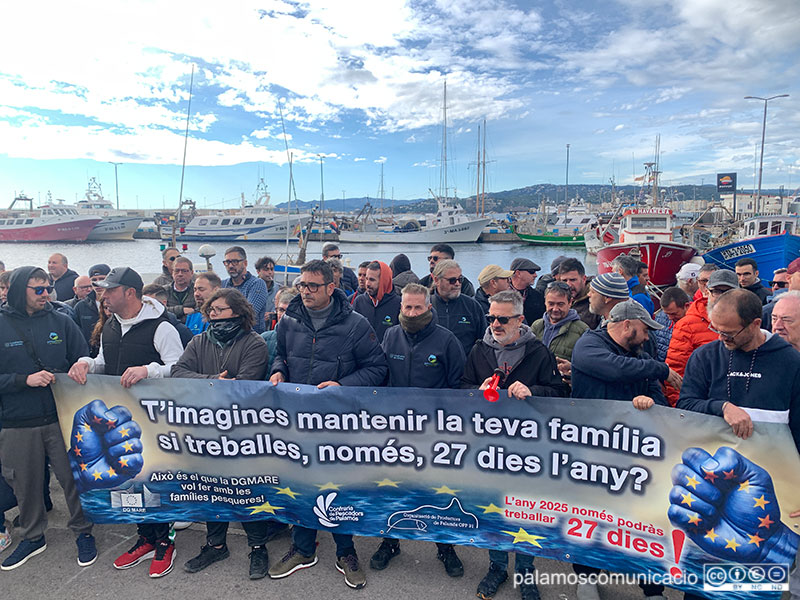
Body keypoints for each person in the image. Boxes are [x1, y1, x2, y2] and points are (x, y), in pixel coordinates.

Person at [267, 259, 387, 589]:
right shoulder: (289, 319)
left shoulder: (356, 324)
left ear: (330, 288)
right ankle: (303, 548)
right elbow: (281, 356)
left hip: (337, 422)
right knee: (302, 482)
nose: (304, 291)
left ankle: (346, 552)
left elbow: (377, 368)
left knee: (337, 486)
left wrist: (342, 385)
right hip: (296, 419)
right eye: (301, 285)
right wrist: (278, 370)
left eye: (312, 286)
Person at [68, 267, 184, 578]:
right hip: (123, 417)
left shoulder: (162, 327)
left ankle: (165, 541)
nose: (103, 296)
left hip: (157, 419)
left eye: (109, 290)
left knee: (156, 480)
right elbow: (105, 361)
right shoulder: (110, 326)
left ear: (129, 293)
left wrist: (149, 370)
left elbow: (180, 367)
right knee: (129, 478)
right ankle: (145, 537)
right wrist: (85, 363)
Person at [461, 289, 567, 600]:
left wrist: (532, 389)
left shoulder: (538, 352)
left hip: (527, 449)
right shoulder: (478, 350)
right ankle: (496, 566)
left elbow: (559, 394)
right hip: (489, 445)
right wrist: (474, 392)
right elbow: (463, 388)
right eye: (491, 317)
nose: (495, 323)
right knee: (493, 506)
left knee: (525, 509)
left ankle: (525, 570)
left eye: (502, 319)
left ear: (520, 320)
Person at [571, 300, 679, 600]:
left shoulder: (641, 353)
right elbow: (614, 370)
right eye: (645, 330)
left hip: (636, 451)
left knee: (646, 520)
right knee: (590, 516)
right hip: (593, 448)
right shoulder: (589, 344)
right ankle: (587, 577)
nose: (647, 338)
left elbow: (657, 398)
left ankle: (652, 588)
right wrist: (661, 369)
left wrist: (652, 405)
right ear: (627, 324)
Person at [171, 288, 281, 580]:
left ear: (238, 312)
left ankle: (257, 547)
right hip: (204, 429)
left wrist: (214, 387)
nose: (213, 316)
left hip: (241, 433)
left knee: (246, 491)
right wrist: (211, 381)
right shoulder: (198, 341)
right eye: (211, 311)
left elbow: (243, 385)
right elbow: (179, 373)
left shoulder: (254, 343)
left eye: (219, 310)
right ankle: (215, 544)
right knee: (210, 488)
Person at [0, 266, 97, 570]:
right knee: (25, 484)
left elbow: (84, 353)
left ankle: (83, 531)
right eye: (38, 289)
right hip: (17, 421)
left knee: (74, 479)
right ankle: (32, 536)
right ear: (19, 290)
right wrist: (22, 380)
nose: (46, 294)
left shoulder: (61, 320)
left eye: (49, 288)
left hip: (62, 417)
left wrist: (83, 364)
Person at [369, 283, 466, 577]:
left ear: (429, 308)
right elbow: (382, 377)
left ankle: (444, 546)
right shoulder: (391, 335)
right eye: (407, 307)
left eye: (417, 308)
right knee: (393, 488)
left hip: (434, 431)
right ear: (400, 308)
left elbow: (458, 387)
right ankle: (391, 541)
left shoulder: (447, 340)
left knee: (438, 491)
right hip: (396, 429)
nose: (411, 313)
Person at [664, 269, 738, 406]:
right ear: (708, 292)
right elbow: (676, 371)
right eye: (717, 291)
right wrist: (680, 409)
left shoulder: (746, 321)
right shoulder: (687, 325)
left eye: (728, 292)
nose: (722, 296)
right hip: (703, 406)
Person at [531, 281, 588, 379]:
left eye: (560, 304)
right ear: (545, 302)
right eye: (551, 304)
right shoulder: (536, 326)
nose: (555, 309)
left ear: (570, 302)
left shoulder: (582, 330)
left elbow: (588, 364)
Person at [429, 259, 485, 357]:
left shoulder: (472, 306)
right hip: (433, 367)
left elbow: (483, 341)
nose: (457, 284)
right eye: (452, 280)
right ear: (436, 280)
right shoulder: (425, 306)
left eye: (460, 279)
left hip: (465, 368)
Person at [221, 246, 268, 334]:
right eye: (227, 262)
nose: (230, 266)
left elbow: (248, 314)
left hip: (251, 338)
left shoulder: (257, 284)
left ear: (245, 263)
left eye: (235, 262)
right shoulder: (223, 284)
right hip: (226, 336)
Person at [352, 261, 401, 342]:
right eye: (366, 279)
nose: (367, 284)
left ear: (383, 281)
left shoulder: (398, 304)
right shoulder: (359, 302)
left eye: (372, 280)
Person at [556, 258, 599, 329]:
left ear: (584, 279)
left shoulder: (596, 301)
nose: (568, 285)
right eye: (564, 280)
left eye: (573, 280)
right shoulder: (555, 300)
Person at [75, 264, 110, 350]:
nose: (97, 283)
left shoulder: (119, 303)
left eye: (102, 279)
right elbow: (75, 334)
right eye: (94, 280)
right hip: (90, 354)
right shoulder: (81, 306)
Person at [261, 287, 298, 367]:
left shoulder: (303, 341)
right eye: (281, 310)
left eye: (288, 311)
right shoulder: (264, 338)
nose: (284, 315)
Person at [652, 287, 691, 362]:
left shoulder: (696, 323)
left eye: (674, 314)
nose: (670, 318)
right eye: (667, 314)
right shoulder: (660, 318)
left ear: (686, 306)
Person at [509, 257, 545, 325]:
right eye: (531, 272)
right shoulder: (500, 295)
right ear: (518, 273)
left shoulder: (538, 297)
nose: (535, 275)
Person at [763, 264, 796, 332]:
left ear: (792, 284)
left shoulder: (765, 310)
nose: (775, 287)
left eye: (780, 284)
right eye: (772, 283)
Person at [164, 256, 196, 323]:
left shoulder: (197, 291)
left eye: (184, 271)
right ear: (172, 272)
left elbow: (201, 310)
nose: (180, 274)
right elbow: (159, 310)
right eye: (177, 271)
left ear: (192, 273)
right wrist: (181, 310)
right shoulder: (164, 291)